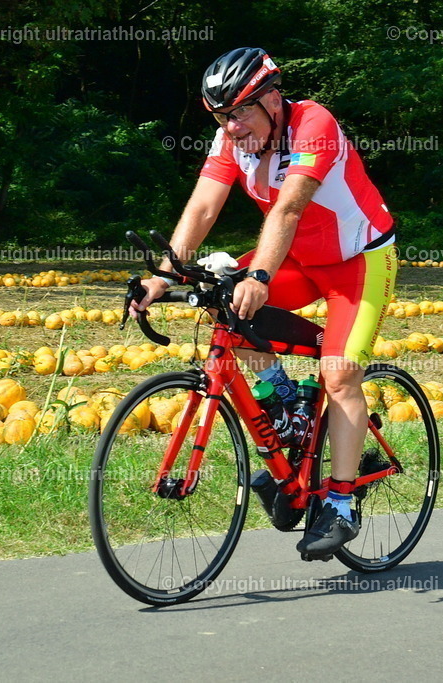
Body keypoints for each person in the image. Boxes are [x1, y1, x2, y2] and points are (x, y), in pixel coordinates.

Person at [130, 47, 398, 558]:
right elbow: (205, 205)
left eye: (240, 113)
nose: (231, 127)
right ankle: (285, 399)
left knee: (339, 373)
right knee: (218, 295)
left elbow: (290, 207)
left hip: (359, 261)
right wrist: (162, 277)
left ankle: (340, 503)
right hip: (299, 260)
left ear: (273, 100)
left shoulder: (314, 123)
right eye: (221, 116)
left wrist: (259, 273)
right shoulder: (233, 137)